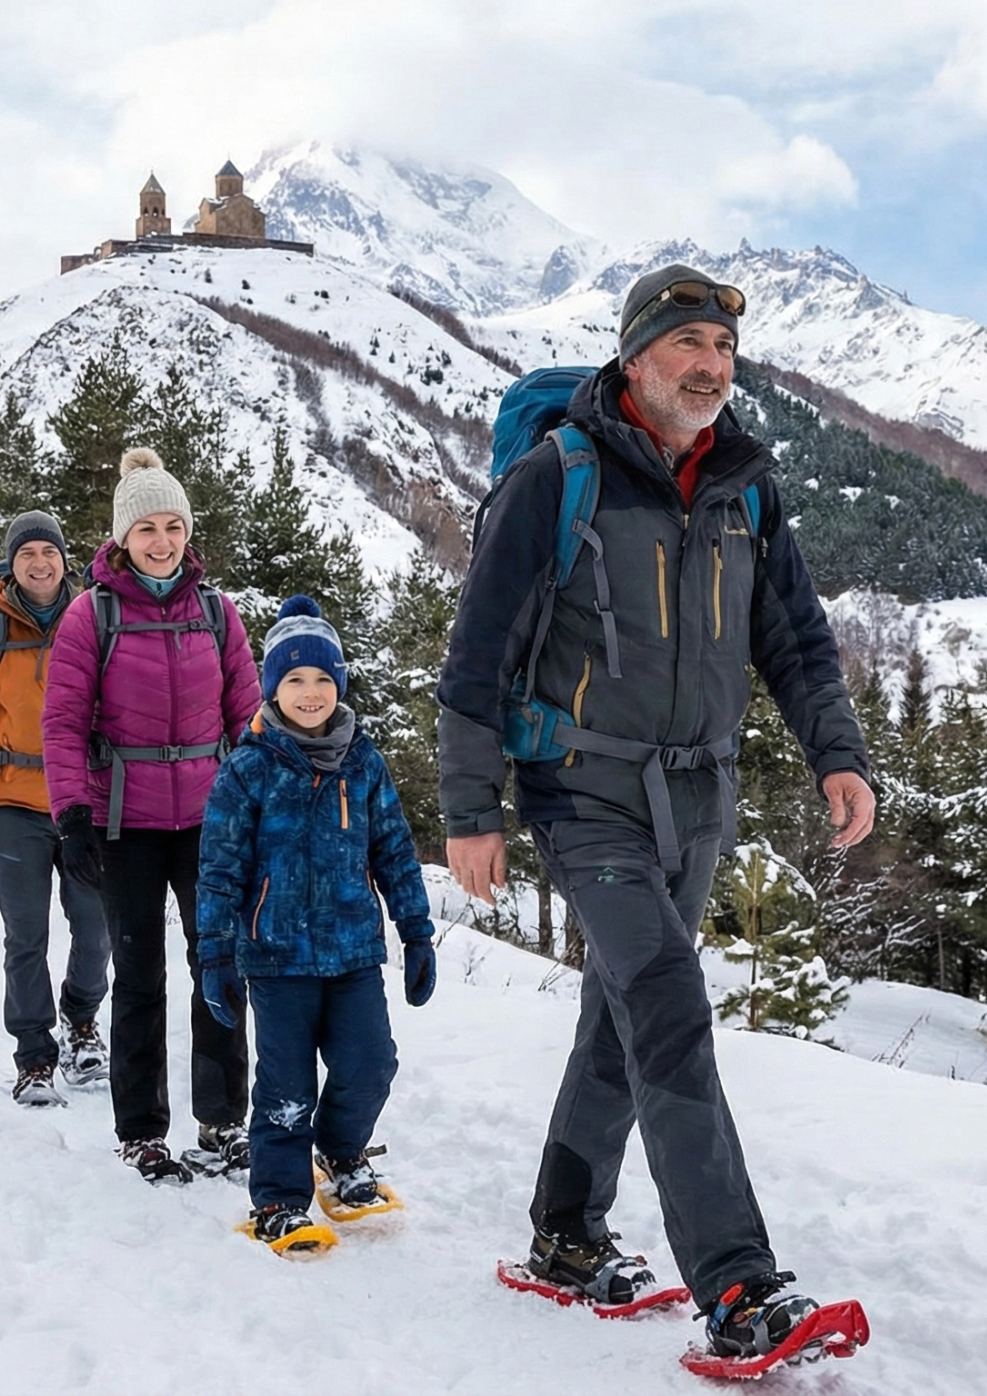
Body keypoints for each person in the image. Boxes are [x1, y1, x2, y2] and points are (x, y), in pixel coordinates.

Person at [436, 264, 879, 1361]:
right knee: (670, 1001)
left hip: (699, 794)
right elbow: (478, 653)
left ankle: (565, 1236)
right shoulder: (559, 477)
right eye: (688, 344)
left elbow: (795, 637)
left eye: (724, 350)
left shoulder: (743, 486)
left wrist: (838, 752)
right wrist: (471, 807)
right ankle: (738, 1287)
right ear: (635, 359)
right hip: (583, 790)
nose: (710, 367)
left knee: (621, 1011)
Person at [43, 447, 261, 1184]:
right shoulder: (90, 615)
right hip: (123, 823)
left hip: (209, 821)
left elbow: (249, 719)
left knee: (219, 967)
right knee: (139, 975)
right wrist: (72, 814)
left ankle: (223, 1122)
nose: (162, 541)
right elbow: (63, 723)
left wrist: (265, 810)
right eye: (147, 529)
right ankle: (141, 1131)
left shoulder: (216, 612)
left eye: (173, 526)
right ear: (122, 537)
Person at [194, 596, 436, 1253]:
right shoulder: (247, 769)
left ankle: (340, 1150)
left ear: (340, 685)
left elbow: (394, 850)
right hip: (276, 958)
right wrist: (214, 952)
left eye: (324, 679)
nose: (310, 692)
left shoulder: (363, 762)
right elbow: (219, 869)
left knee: (371, 1064)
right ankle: (278, 1198)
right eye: (295, 679)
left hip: (353, 950)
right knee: (286, 1084)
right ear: (273, 688)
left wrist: (416, 930)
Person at [0, 510, 110, 1107]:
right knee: (26, 936)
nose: (39, 563)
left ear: (65, 561)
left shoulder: (94, 620)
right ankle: (34, 1057)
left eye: (49, 552)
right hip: (15, 803)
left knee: (97, 929)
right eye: (27, 553)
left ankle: (81, 1021)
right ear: (11, 564)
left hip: (85, 802)